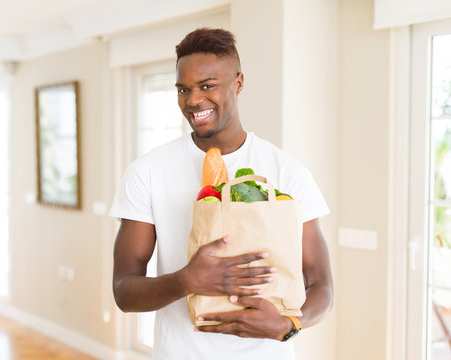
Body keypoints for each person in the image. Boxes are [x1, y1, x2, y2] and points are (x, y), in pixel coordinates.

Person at [110, 28, 333, 359]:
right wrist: (186, 280)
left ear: (238, 84)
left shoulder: (287, 171)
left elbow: (322, 285)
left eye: (207, 85)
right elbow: (124, 291)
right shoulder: (148, 172)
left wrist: (290, 325)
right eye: (183, 89)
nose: (193, 100)